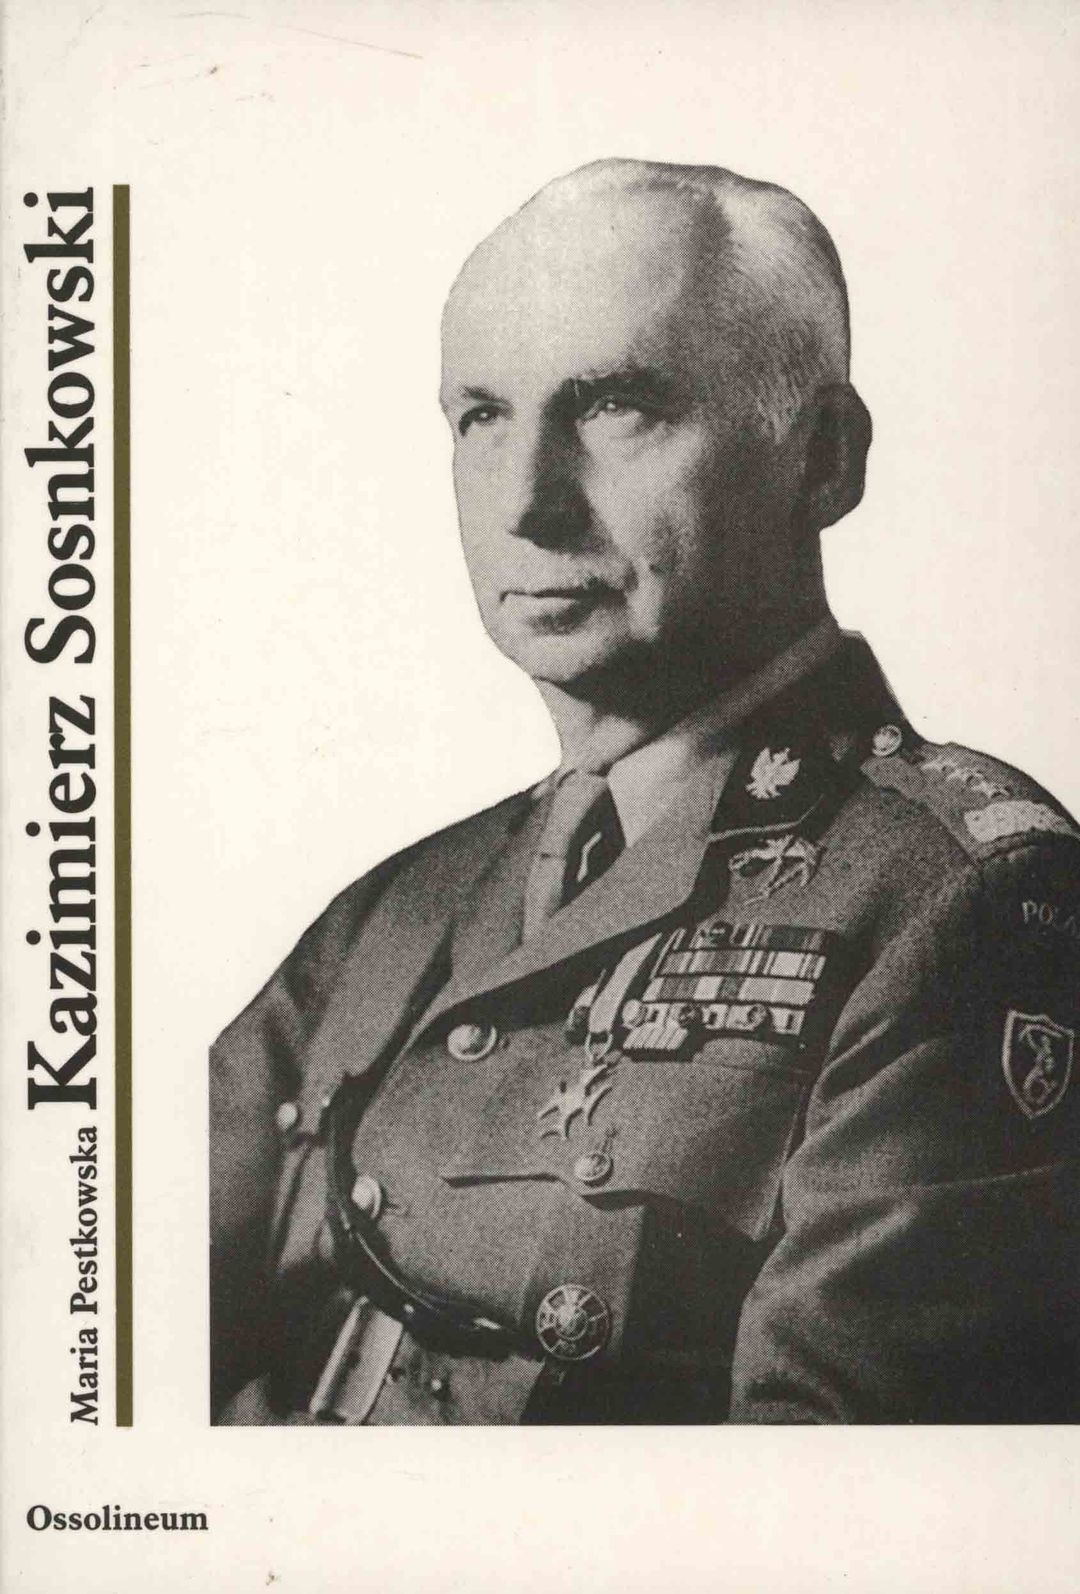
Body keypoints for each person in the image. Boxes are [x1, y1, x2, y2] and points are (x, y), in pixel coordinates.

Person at [211, 158, 1079, 1425]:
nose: (524, 503)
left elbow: (843, 1501)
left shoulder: (964, 903)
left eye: (616, 407)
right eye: (481, 417)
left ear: (823, 457)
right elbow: (91, 1320)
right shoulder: (402, 906)